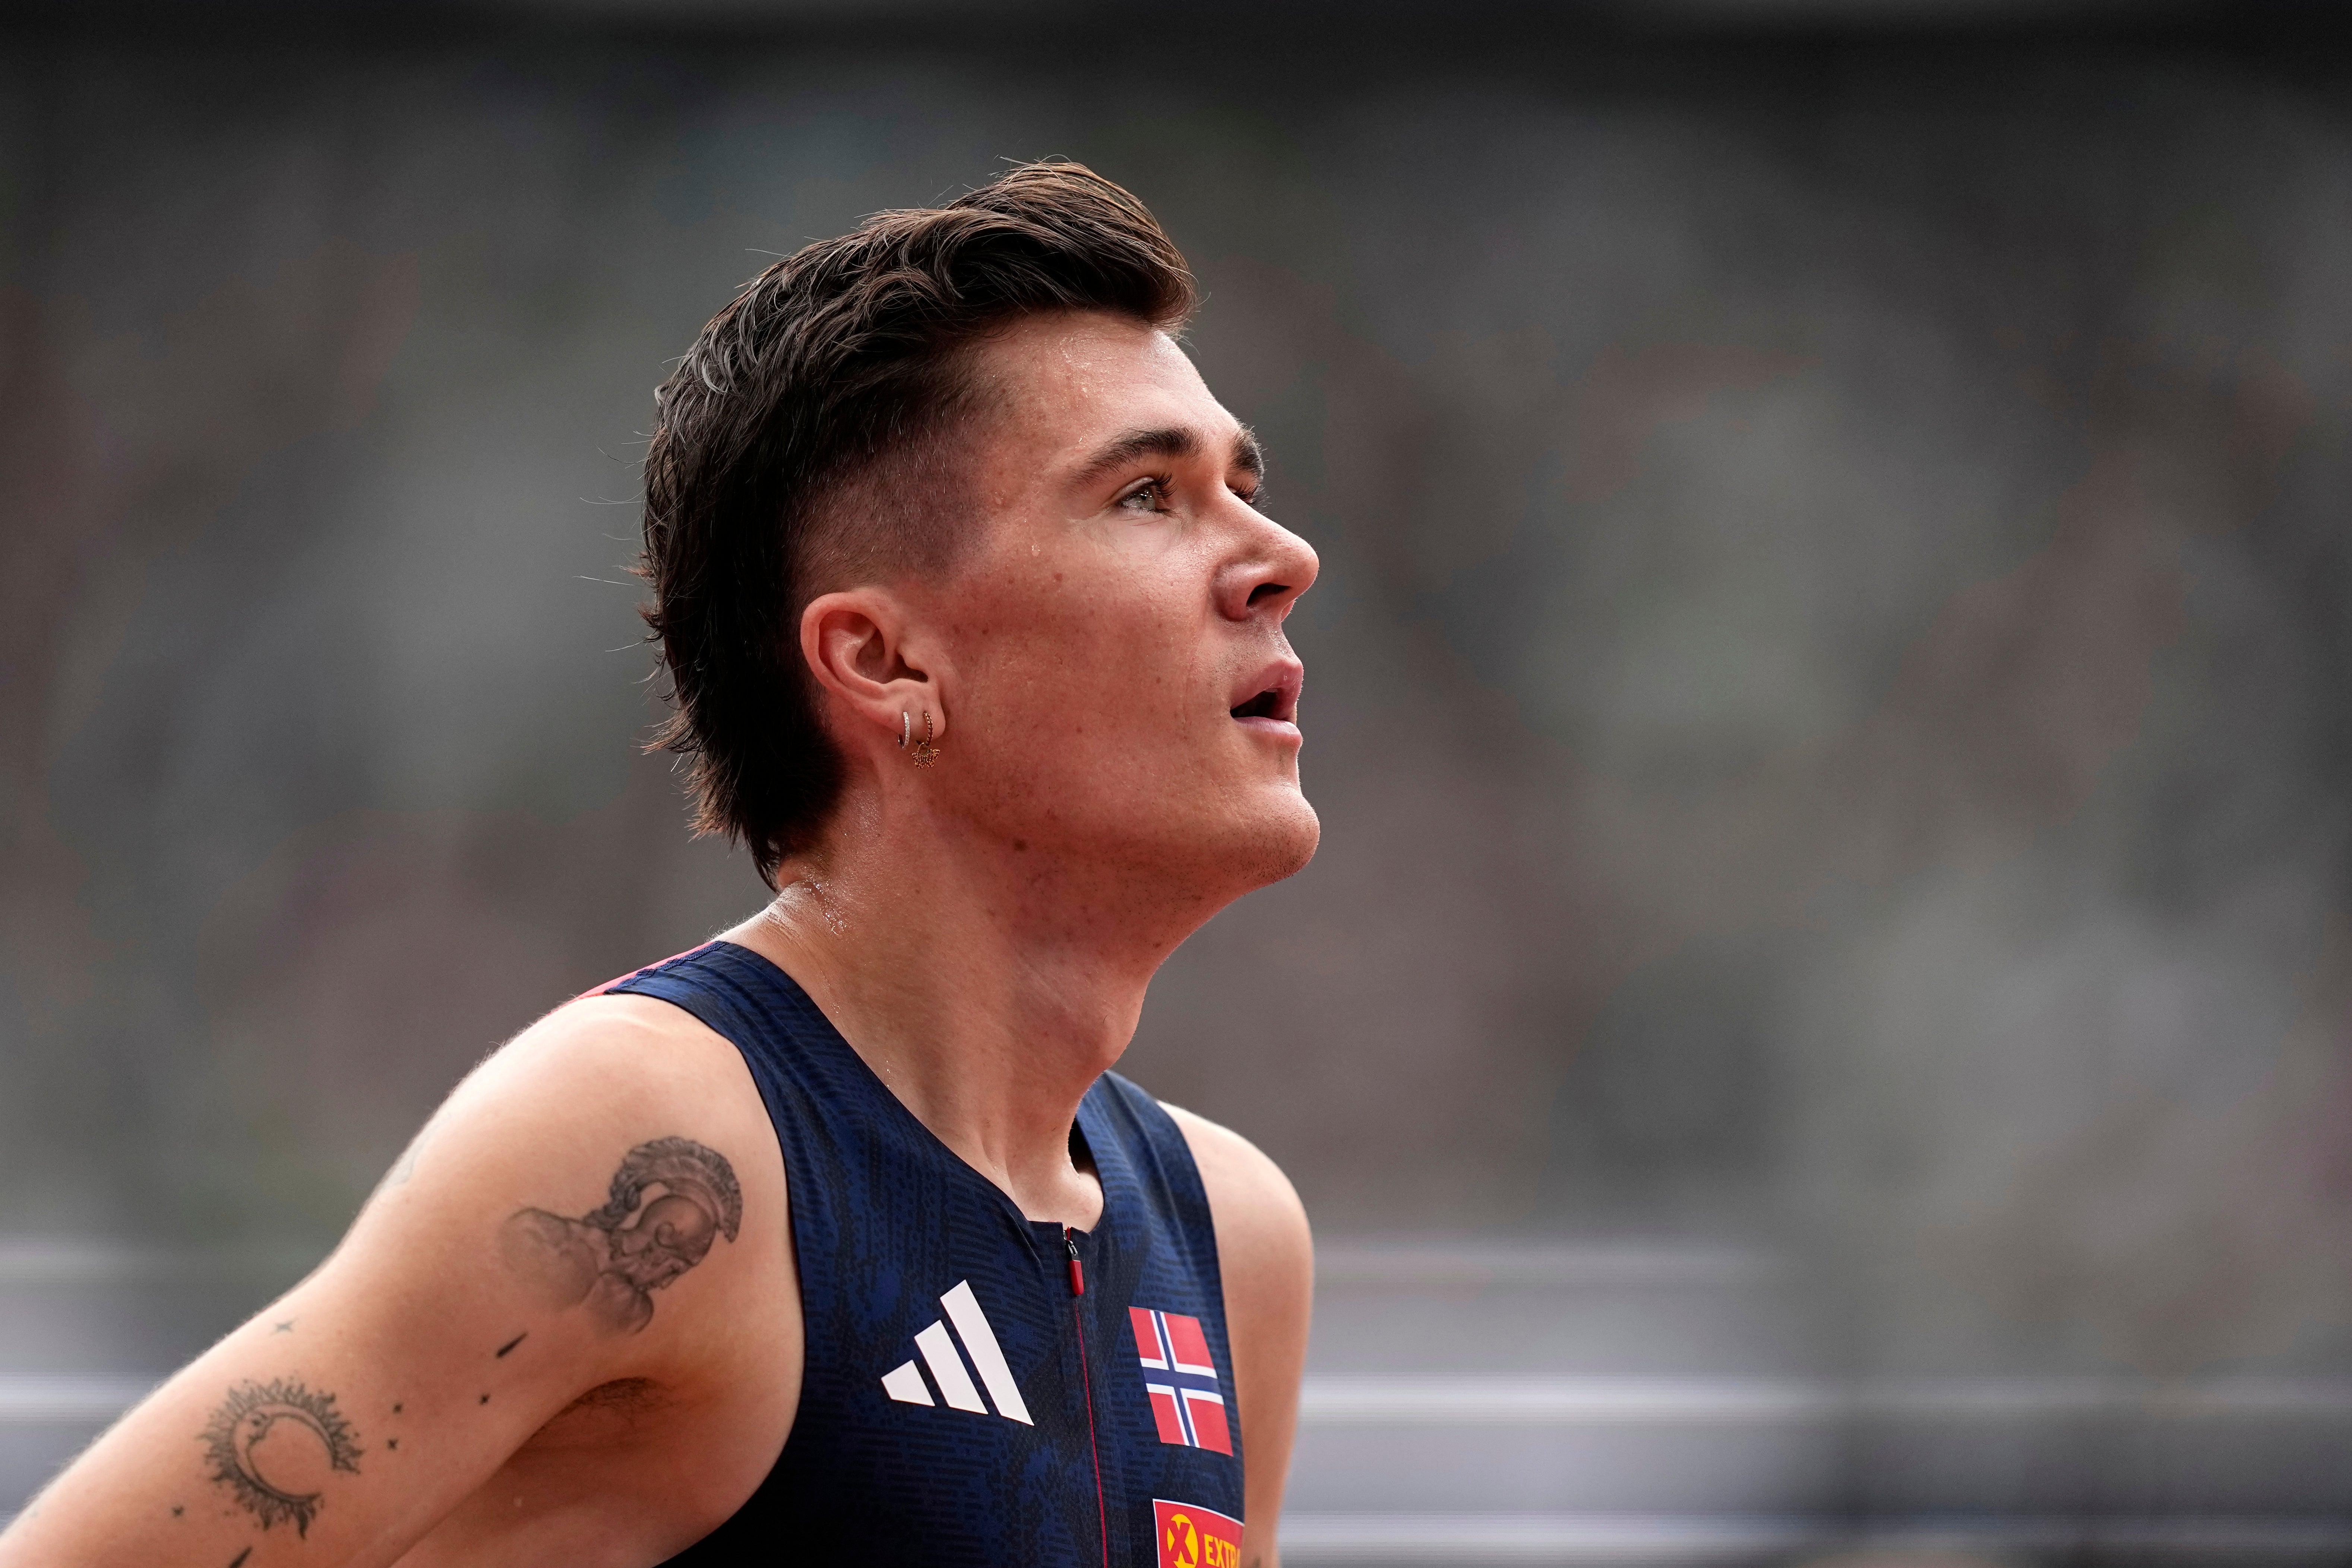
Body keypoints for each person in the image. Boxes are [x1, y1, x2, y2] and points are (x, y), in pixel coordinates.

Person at [0, 160, 1317, 1567]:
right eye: (1145, 496)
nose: (1283, 557)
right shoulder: (661, 1147)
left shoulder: (1229, 1238)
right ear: (884, 662)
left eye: (1244, 488)